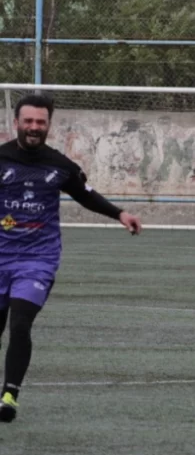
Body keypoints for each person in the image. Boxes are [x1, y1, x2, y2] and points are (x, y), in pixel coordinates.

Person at [0, 94, 142, 422]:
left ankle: (9, 395)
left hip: (38, 259)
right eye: (29, 121)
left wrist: (120, 214)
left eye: (41, 122)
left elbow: (86, 195)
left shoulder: (60, 165)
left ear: (49, 125)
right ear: (16, 123)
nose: (34, 128)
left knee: (20, 323)